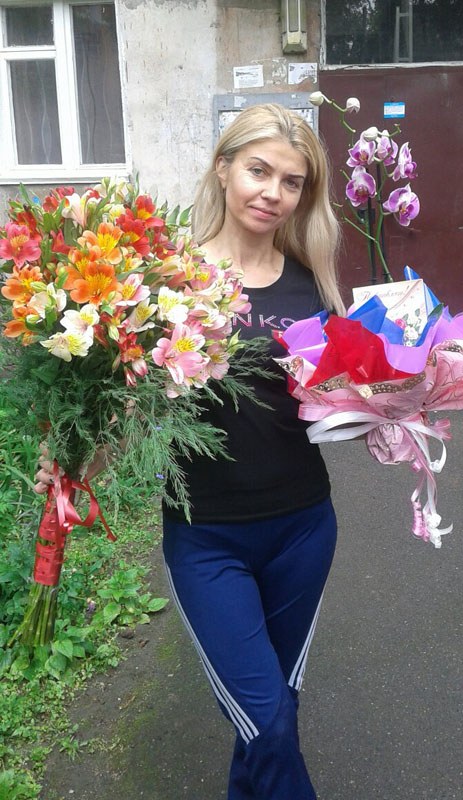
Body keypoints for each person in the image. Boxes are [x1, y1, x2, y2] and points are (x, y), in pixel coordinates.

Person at [36, 103, 345, 800]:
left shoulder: (315, 283)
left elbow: (330, 401)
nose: (273, 192)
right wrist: (76, 464)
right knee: (267, 720)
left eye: (292, 182)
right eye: (259, 170)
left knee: (274, 714)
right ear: (223, 168)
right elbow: (126, 407)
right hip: (208, 538)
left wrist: (395, 406)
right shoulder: (167, 282)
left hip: (304, 528)